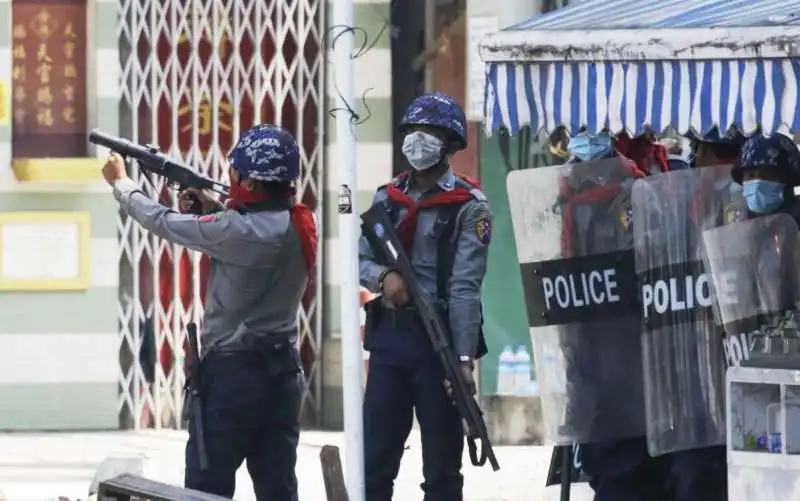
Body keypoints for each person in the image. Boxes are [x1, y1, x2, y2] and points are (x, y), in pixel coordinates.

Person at [101, 124, 317, 500]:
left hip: (234, 379)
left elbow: (163, 221)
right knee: (278, 486)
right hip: (283, 375)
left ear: (248, 183)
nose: (229, 175)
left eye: (235, 171)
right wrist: (212, 207)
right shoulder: (301, 221)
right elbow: (250, 231)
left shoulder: (236, 230)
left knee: (206, 488)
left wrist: (122, 184)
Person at [358, 92, 491, 501]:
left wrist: (464, 360)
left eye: (430, 133)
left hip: (441, 343)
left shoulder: (470, 207)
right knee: (373, 465)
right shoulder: (386, 199)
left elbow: (466, 287)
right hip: (391, 341)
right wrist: (384, 280)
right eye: (413, 132)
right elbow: (357, 257)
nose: (419, 141)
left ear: (450, 145)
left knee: (442, 473)